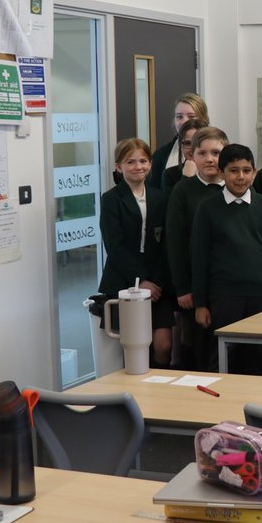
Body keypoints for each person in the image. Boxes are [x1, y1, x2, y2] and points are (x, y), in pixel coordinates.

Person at [190, 143, 262, 375]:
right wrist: (201, 303)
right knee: (224, 355)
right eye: (233, 170)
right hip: (224, 296)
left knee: (261, 357)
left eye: (246, 170)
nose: (240, 176)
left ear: (254, 172)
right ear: (222, 173)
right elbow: (199, 257)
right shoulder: (208, 208)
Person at [99, 139, 172, 368]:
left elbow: (166, 243)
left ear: (151, 164)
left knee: (163, 344)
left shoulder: (159, 197)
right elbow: (114, 246)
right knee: (129, 345)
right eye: (130, 162)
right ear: (119, 167)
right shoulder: (111, 199)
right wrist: (141, 281)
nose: (137, 166)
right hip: (124, 277)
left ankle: (158, 388)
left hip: (157, 278)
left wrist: (155, 281)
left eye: (143, 161)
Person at [165, 126, 227, 371]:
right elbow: (176, 241)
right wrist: (183, 287)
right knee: (200, 347)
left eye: (216, 152)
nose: (210, 159)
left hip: (229, 285)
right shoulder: (183, 190)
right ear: (192, 157)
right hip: (196, 286)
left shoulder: (238, 187)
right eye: (202, 153)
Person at [149, 93, 209, 191]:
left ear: (203, 119)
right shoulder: (161, 154)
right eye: (179, 117)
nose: (184, 122)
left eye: (191, 116)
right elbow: (155, 193)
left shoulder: (219, 150)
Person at [162, 117, 208, 193]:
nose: (193, 149)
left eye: (198, 143)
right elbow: (175, 204)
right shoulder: (170, 175)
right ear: (180, 146)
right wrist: (186, 178)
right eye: (187, 143)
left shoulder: (220, 172)